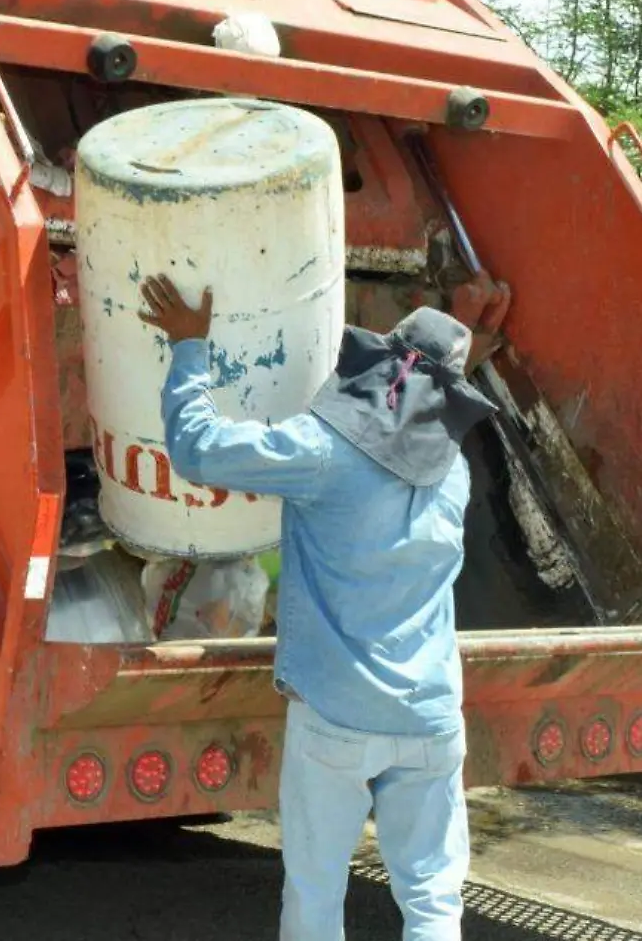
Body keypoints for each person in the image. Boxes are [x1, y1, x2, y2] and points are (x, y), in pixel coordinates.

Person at [137, 274, 496, 941]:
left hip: (337, 717)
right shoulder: (455, 473)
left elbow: (196, 448)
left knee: (315, 891)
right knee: (433, 899)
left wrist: (190, 348)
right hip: (432, 720)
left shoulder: (323, 452)